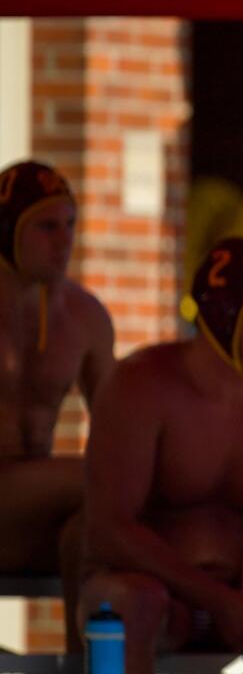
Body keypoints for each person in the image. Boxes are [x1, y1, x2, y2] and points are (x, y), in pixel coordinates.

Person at [81, 237, 243, 674]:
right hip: (162, 596)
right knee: (132, 604)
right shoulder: (142, 384)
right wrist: (216, 598)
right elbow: (109, 528)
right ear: (227, 320)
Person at [0, 160, 114, 579]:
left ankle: (82, 645)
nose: (64, 241)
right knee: (99, 482)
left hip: (33, 513)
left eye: (70, 224)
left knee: (92, 533)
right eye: (47, 228)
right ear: (7, 232)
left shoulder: (85, 316)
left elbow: (118, 430)